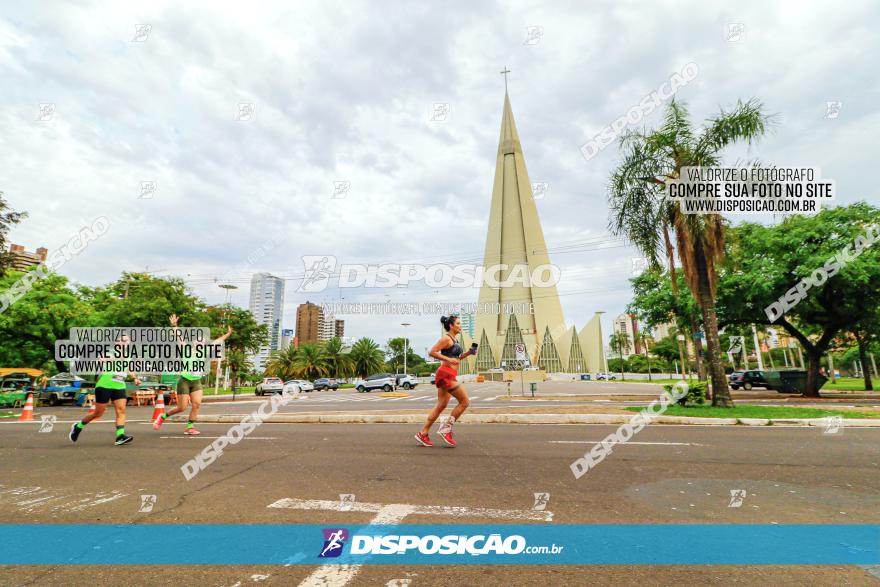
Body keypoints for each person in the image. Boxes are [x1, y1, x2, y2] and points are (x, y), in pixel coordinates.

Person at [153, 314, 233, 435]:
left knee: (197, 404)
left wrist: (228, 334)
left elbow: (218, 341)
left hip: (196, 381)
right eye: (198, 341)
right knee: (182, 407)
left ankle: (190, 427)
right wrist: (174, 326)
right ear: (194, 343)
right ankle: (163, 416)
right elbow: (178, 338)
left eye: (203, 341)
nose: (200, 343)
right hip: (184, 381)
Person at [415, 315, 477, 447]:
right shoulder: (446, 339)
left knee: (441, 406)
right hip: (445, 374)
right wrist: (449, 360)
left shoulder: (454, 340)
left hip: (450, 375)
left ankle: (423, 433)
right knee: (465, 402)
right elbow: (432, 352)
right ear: (451, 325)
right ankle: (446, 429)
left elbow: (457, 357)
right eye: (458, 323)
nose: (460, 326)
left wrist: (468, 353)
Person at [69, 337, 141, 446]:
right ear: (116, 342)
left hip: (120, 385)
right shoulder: (110, 351)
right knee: (98, 413)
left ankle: (120, 436)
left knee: (121, 410)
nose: (123, 342)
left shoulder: (128, 355)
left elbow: (127, 368)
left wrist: (135, 377)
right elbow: (102, 359)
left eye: (126, 341)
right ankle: (78, 426)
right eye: (121, 340)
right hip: (105, 384)